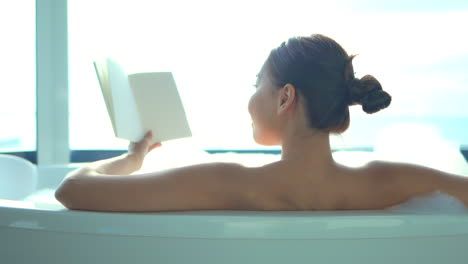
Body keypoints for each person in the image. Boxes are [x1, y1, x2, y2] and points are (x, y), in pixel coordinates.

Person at [55, 34, 468, 212]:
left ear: (286, 97)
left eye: (258, 85)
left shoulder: (231, 182)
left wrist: (133, 159)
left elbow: (72, 190)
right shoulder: (386, 180)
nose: (250, 100)